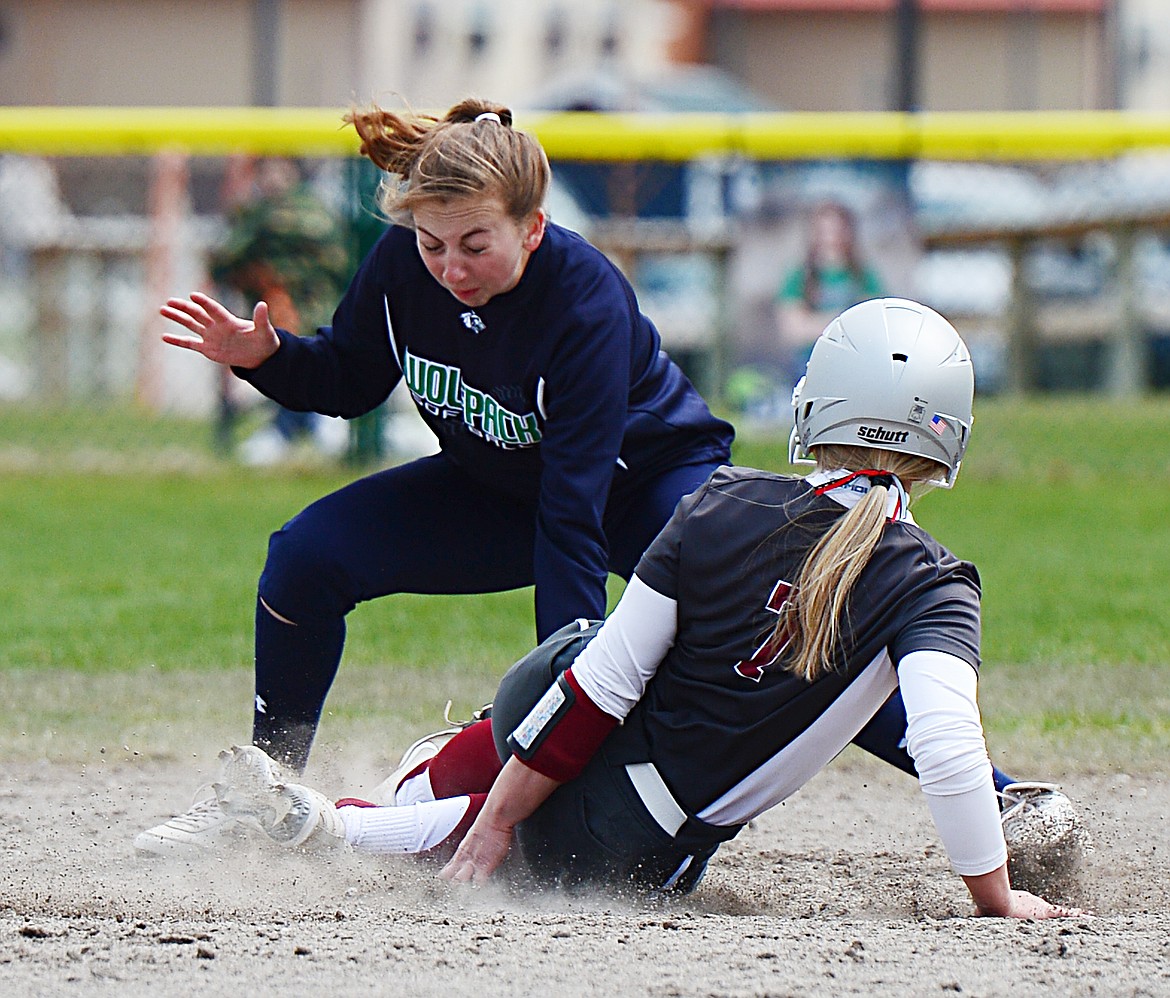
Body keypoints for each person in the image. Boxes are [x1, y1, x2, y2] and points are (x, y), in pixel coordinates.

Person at [172, 299, 1087, 919]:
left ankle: (346, 816)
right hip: (639, 833)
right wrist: (995, 897)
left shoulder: (717, 501)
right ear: (950, 440)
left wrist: (501, 809)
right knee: (544, 823)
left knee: (541, 710)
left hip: (568, 730)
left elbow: (599, 684)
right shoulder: (936, 581)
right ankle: (336, 824)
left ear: (813, 408)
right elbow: (947, 749)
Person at [139, 96, 736, 851]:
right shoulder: (402, 266)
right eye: (432, 243)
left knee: (745, 609)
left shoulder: (584, 301)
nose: (451, 267)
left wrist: (555, 725)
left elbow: (572, 516)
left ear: (533, 227)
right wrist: (271, 358)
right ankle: (262, 794)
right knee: (304, 558)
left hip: (645, 484)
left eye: (476, 244)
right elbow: (350, 380)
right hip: (504, 484)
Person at [209, 156, 354, 464]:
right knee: (287, 364)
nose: (273, 179)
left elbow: (336, 262)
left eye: (280, 170)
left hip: (307, 310)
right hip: (283, 311)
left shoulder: (280, 213)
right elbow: (224, 262)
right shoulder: (258, 214)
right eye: (266, 171)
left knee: (303, 363)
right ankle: (292, 429)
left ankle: (308, 426)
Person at [775, 199, 884, 388]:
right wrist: (845, 322)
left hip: (856, 370)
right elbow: (794, 330)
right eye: (825, 230)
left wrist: (818, 323)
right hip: (810, 369)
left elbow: (876, 325)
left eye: (837, 230)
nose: (831, 238)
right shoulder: (799, 277)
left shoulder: (864, 276)